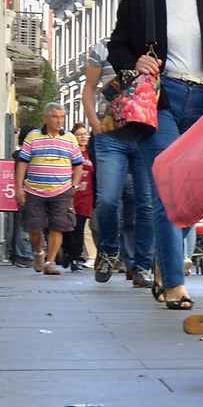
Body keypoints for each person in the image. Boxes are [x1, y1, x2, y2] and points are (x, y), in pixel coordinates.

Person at [88, 0, 203, 312]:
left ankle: (164, 266)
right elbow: (116, 47)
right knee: (169, 188)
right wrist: (137, 60)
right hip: (160, 101)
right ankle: (175, 285)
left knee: (194, 194)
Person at [79, 41, 155, 290]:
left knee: (146, 203)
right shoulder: (104, 48)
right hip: (110, 134)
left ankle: (142, 265)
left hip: (145, 133)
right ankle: (109, 250)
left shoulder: (156, 47)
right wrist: (94, 122)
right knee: (108, 200)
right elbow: (88, 88)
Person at [13, 104, 85, 276]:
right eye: (55, 117)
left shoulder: (70, 138)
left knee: (58, 226)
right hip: (34, 189)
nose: (59, 120)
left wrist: (74, 184)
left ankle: (50, 262)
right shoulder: (33, 136)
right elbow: (23, 162)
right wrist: (19, 188)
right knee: (34, 227)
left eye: (62, 117)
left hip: (61, 190)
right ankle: (39, 252)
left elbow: (78, 164)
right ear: (46, 118)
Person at [64, 126, 95, 268]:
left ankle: (75, 258)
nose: (83, 137)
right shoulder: (69, 154)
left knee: (80, 228)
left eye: (85, 134)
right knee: (67, 228)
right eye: (79, 134)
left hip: (86, 196)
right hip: (69, 195)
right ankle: (67, 253)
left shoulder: (92, 154)